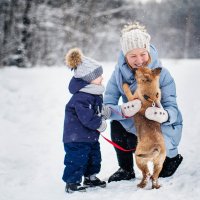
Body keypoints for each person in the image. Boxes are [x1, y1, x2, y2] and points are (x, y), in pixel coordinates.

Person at [103, 22, 183, 183]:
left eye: (143, 54)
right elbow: (107, 104)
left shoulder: (162, 74)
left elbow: (172, 107)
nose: (139, 60)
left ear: (148, 51)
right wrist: (123, 110)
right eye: (133, 56)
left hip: (159, 125)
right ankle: (126, 169)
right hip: (137, 121)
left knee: (163, 171)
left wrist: (164, 115)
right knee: (117, 124)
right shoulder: (118, 74)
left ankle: (172, 158)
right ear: (125, 56)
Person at [62, 48, 111, 193]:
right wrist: (100, 124)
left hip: (89, 136)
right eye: (99, 75)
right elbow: (87, 117)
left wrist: (104, 112)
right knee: (76, 160)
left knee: (94, 157)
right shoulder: (81, 97)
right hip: (76, 138)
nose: (102, 78)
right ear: (88, 79)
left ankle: (90, 177)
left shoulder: (93, 95)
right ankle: (72, 182)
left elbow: (94, 111)